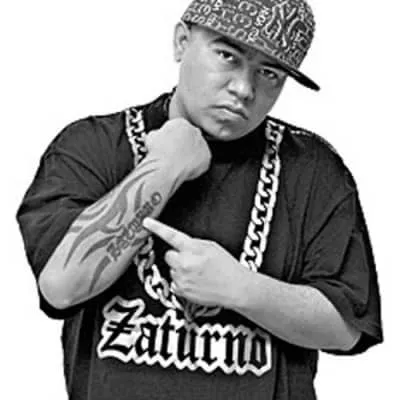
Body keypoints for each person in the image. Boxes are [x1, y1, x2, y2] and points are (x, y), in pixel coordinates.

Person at [16, 0, 383, 399]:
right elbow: (61, 287)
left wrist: (242, 289)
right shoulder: (93, 146)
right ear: (181, 42)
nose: (244, 89)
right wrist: (163, 167)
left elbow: (346, 329)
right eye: (227, 55)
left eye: (269, 73)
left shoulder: (312, 168)